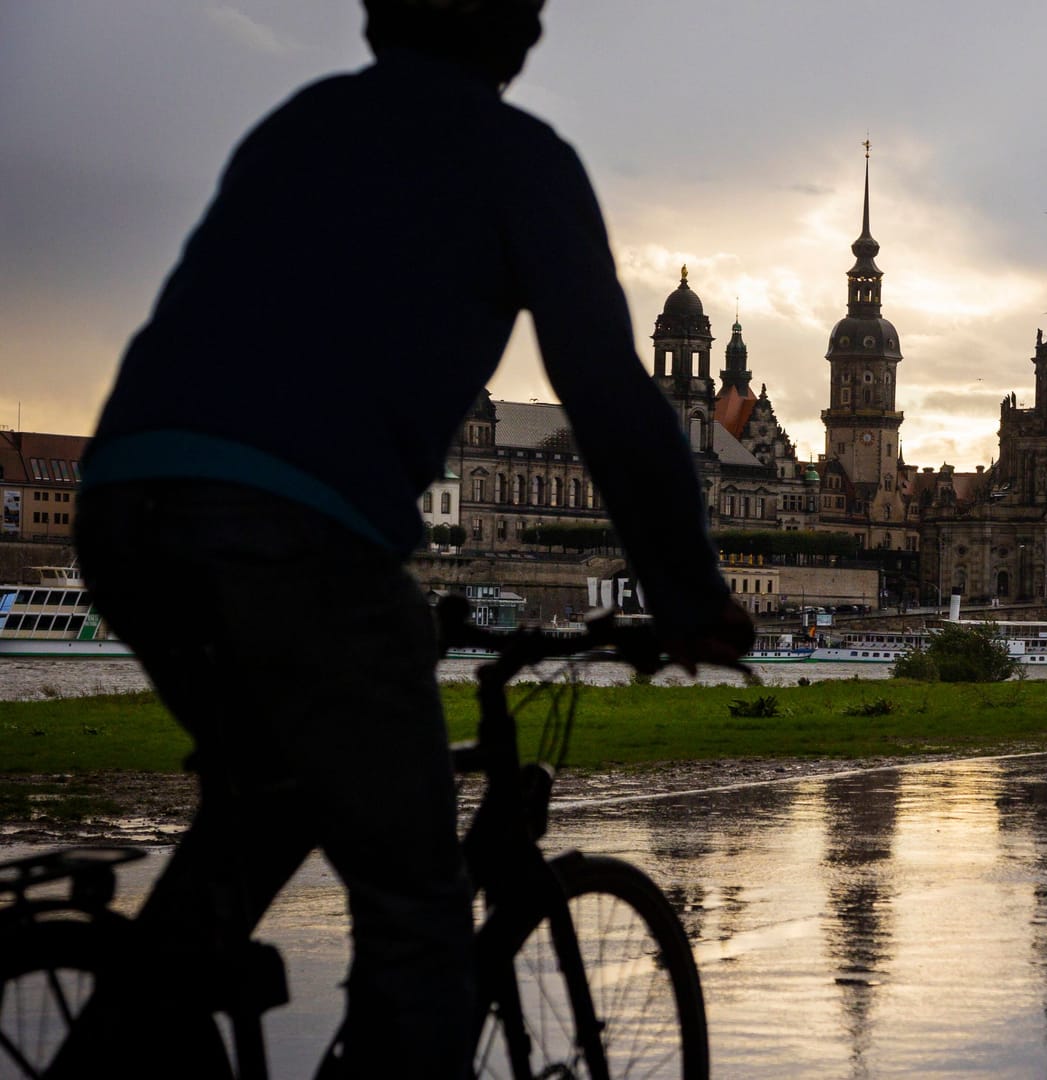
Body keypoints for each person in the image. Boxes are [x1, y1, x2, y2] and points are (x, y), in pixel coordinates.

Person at [59, 1, 751, 1074]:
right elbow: (613, 400)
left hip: (121, 503)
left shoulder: (300, 121)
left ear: (380, 18)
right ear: (518, 30)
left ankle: (117, 1036)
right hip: (292, 532)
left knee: (266, 796)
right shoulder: (520, 159)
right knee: (417, 907)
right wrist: (691, 595)